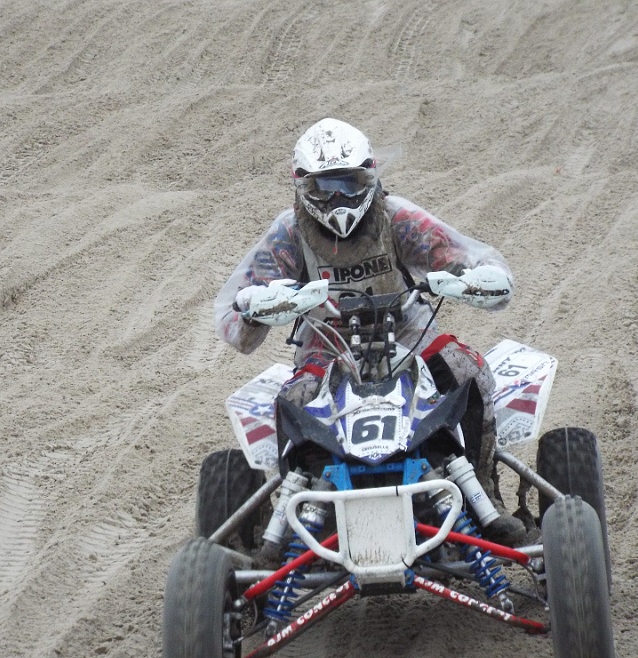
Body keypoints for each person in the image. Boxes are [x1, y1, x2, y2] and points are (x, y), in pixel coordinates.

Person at [214, 117, 527, 545]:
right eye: (326, 187)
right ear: (303, 185)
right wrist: (255, 307)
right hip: (328, 345)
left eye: (348, 182)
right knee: (294, 401)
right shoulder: (289, 233)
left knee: (467, 368)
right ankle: (294, 522)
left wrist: (480, 278)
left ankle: (484, 495)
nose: (338, 198)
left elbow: (467, 258)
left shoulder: (396, 217)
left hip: (406, 331)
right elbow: (234, 325)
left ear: (370, 175)